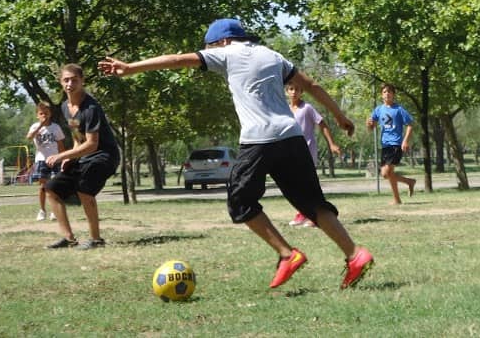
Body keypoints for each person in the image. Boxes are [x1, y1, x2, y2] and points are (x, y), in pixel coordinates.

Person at [99, 18, 373, 289]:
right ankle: (355, 254)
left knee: (240, 201)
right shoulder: (272, 55)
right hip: (291, 136)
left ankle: (288, 255)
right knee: (312, 203)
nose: (209, 54)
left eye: (210, 48)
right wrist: (339, 115)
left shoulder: (226, 53)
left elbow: (176, 60)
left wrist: (130, 68)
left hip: (259, 140)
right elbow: (311, 85)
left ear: (222, 41)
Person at [44, 64, 121, 250]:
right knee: (51, 189)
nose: (70, 83)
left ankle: (96, 240)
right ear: (61, 82)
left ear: (82, 81)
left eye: (74, 79)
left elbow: (92, 144)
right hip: (85, 156)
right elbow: (79, 138)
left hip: (105, 155)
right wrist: (71, 158)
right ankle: (68, 238)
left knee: (84, 188)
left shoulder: (91, 108)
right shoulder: (65, 107)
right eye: (66, 80)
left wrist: (62, 155)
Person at [286, 81, 341, 227]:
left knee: (308, 184)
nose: (294, 92)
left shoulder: (307, 108)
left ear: (302, 91)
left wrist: (332, 143)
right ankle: (302, 213)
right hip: (291, 152)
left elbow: (322, 124)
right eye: (291, 89)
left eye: (297, 89)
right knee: (296, 185)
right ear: (287, 91)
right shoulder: (284, 109)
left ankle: (314, 216)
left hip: (308, 151)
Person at [366, 83, 416, 205]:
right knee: (386, 174)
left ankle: (399, 196)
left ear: (393, 94)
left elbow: (410, 125)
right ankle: (407, 184)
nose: (387, 94)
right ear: (381, 95)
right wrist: (369, 124)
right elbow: (371, 127)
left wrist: (405, 140)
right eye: (384, 92)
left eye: (389, 92)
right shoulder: (378, 109)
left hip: (396, 144)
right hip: (385, 145)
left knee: (387, 172)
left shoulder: (399, 109)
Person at [26, 101, 66, 221]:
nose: (44, 115)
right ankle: (42, 210)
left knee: (55, 186)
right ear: (37, 115)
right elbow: (29, 137)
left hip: (55, 159)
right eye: (41, 113)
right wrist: (40, 126)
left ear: (50, 114)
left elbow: (60, 144)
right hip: (41, 160)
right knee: (43, 186)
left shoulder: (55, 127)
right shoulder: (34, 127)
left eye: (46, 113)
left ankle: (55, 211)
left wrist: (64, 158)